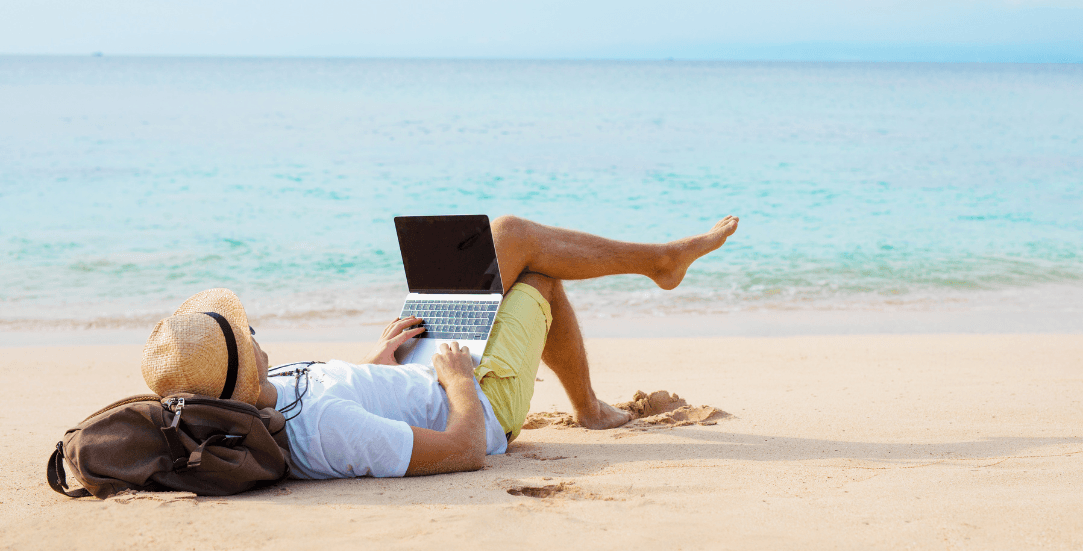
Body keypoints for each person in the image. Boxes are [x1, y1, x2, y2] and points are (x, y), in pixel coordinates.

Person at [141, 215, 739, 479]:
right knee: (532, 267)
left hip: (421, 370)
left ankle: (596, 392)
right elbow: (464, 451)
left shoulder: (274, 394)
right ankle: (659, 265)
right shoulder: (328, 429)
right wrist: (456, 383)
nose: (255, 334)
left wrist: (376, 360)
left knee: (506, 241)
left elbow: (338, 389)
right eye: (248, 337)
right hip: (482, 403)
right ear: (244, 363)